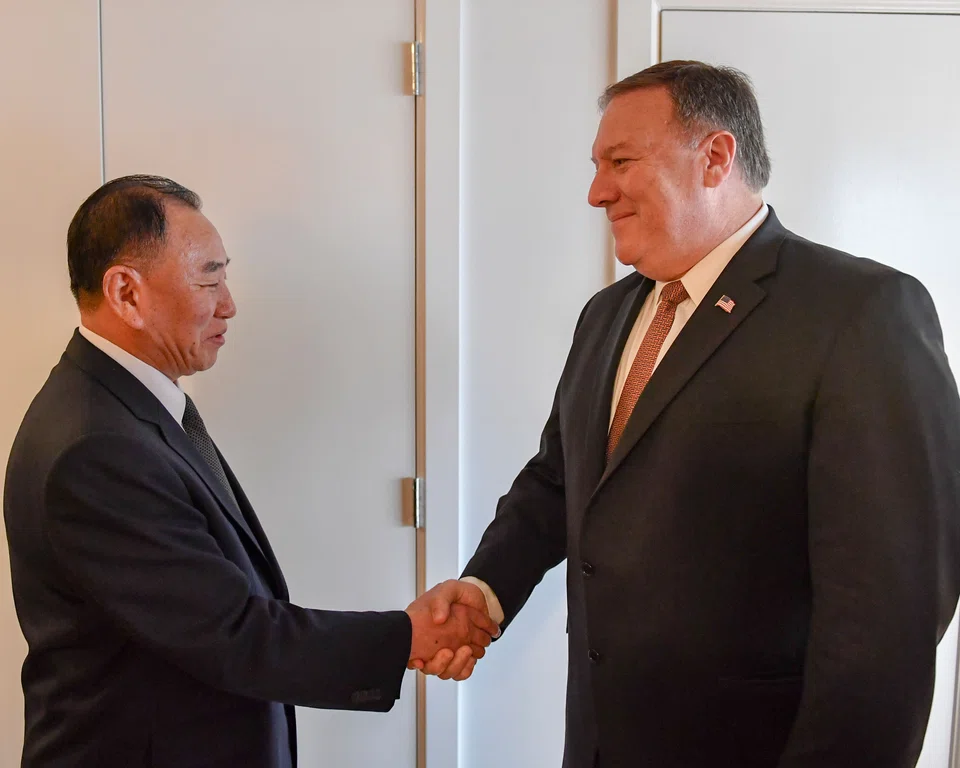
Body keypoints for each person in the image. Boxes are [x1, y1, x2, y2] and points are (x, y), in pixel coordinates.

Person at [425, 61, 960, 767]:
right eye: (596, 166)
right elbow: (559, 480)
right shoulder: (606, 314)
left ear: (715, 157)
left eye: (620, 162)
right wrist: (486, 589)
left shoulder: (861, 312)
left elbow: (888, 618)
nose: (596, 192)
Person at [3, 175, 498, 768]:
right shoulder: (96, 448)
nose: (229, 303)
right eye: (208, 279)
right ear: (127, 293)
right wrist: (412, 636)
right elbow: (234, 633)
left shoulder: (124, 408)